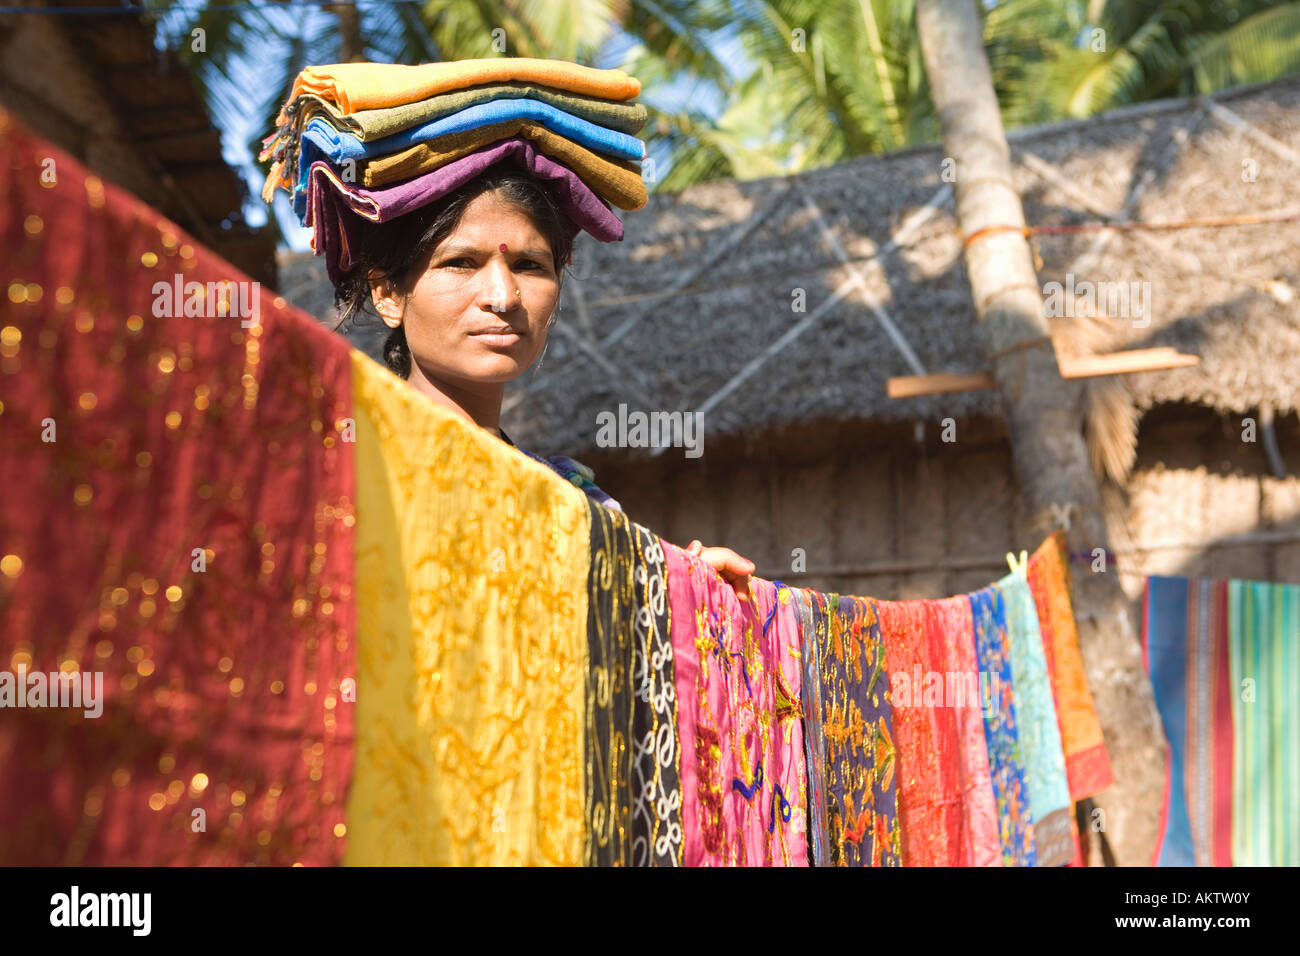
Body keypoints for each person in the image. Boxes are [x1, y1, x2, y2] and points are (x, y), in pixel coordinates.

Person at [333, 163, 755, 594]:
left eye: (529, 265)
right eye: (460, 262)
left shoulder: (577, 504)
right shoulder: (333, 475)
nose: (503, 297)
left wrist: (688, 585)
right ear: (388, 294)